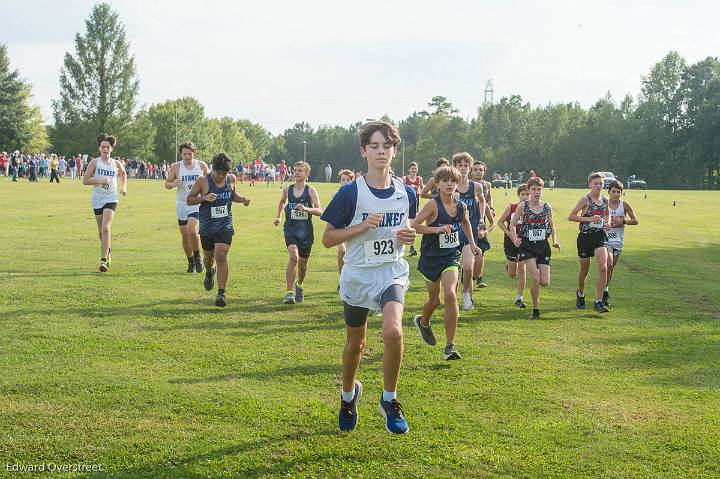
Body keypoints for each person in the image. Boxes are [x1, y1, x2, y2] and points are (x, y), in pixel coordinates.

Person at [320, 121, 417, 434]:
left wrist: (409, 234)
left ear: (394, 151)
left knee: (393, 332)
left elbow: (406, 228)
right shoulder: (351, 193)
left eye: (386, 146)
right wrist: (361, 227)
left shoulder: (407, 192)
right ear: (363, 151)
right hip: (359, 276)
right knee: (355, 345)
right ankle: (349, 396)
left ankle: (389, 400)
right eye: (374, 146)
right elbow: (328, 238)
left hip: (391, 272)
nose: (381, 152)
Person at [413, 165, 480, 360]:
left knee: (451, 294)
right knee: (435, 300)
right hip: (430, 258)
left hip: (451, 255)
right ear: (438, 184)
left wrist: (473, 244)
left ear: (458, 183)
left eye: (453, 181)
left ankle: (450, 345)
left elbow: (466, 222)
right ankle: (423, 322)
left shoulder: (461, 206)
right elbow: (415, 225)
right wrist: (436, 230)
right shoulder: (432, 205)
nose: (449, 184)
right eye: (445, 181)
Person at [187, 152, 250, 307]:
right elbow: (189, 200)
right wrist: (204, 198)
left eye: (224, 173)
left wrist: (242, 200)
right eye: (218, 173)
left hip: (225, 225)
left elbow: (232, 195)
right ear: (212, 169)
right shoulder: (203, 181)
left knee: (221, 255)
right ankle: (209, 272)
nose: (221, 176)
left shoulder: (231, 179)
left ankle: (221, 294)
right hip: (208, 226)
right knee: (208, 258)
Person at [509, 177, 560, 320]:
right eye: (534, 189)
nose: (536, 192)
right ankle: (535, 310)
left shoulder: (546, 207)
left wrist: (555, 240)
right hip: (527, 245)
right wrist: (515, 238)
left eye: (539, 189)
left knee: (545, 282)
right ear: (529, 190)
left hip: (543, 245)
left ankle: (536, 300)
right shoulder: (523, 206)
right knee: (535, 278)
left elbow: (552, 224)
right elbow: (512, 224)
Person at [274, 161, 323, 304]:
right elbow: (283, 202)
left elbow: (320, 211)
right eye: (295, 170)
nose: (296, 172)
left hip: (306, 232)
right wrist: (279, 216)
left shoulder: (310, 191)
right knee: (294, 257)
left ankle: (299, 285)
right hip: (290, 229)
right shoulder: (287, 190)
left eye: (300, 170)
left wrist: (307, 209)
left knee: (302, 266)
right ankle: (289, 293)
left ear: (307, 174)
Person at [83, 133, 127, 272]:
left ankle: (103, 261)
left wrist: (123, 187)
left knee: (106, 228)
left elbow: (123, 173)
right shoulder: (94, 163)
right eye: (103, 147)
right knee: (101, 232)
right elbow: (85, 180)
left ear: (111, 149)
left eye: (108, 147)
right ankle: (108, 250)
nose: (105, 149)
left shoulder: (116, 163)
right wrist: (99, 180)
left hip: (111, 198)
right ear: (99, 148)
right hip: (97, 198)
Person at [568, 172, 611, 313]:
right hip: (585, 237)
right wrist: (589, 219)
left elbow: (606, 214)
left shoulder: (605, 200)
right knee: (584, 269)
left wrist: (607, 223)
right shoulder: (585, 200)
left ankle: (598, 301)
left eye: (601, 183)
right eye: (596, 183)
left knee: (604, 267)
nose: (599, 186)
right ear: (590, 185)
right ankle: (580, 293)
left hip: (599, 236)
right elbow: (571, 216)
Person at [165, 141, 209, 273]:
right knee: (185, 236)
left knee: (192, 230)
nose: (187, 156)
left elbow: (209, 180)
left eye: (190, 154)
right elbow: (167, 184)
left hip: (196, 203)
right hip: (182, 204)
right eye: (185, 154)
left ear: (194, 153)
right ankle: (191, 262)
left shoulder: (201, 165)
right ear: (181, 154)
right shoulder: (176, 167)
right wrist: (173, 184)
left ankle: (197, 257)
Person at [451, 152, 487, 311]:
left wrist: (481, 219)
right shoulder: (450, 186)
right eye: (460, 165)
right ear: (455, 167)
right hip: (451, 233)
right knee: (451, 269)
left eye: (466, 165)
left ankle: (466, 296)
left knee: (468, 267)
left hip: (468, 232)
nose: (464, 168)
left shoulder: (476, 187)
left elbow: (482, 201)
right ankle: (453, 296)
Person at [604, 180, 638, 306]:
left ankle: (605, 290)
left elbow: (635, 220)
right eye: (613, 191)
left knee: (611, 268)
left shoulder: (624, 205)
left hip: (618, 239)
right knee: (608, 263)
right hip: (605, 239)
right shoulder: (603, 203)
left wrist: (623, 222)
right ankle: (603, 293)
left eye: (618, 192)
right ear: (608, 192)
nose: (616, 194)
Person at [497, 183, 530, 308]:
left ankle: (519, 299)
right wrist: (510, 234)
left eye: (528, 194)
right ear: (519, 195)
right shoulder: (511, 207)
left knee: (522, 269)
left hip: (525, 243)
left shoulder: (533, 209)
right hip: (510, 242)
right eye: (523, 194)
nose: (525, 197)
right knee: (512, 274)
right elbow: (500, 222)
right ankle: (509, 264)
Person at [470, 160, 493, 288]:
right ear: (471, 171)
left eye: (481, 169)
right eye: (476, 169)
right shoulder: (467, 184)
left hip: (481, 218)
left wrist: (491, 208)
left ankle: (479, 277)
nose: (478, 171)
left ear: (484, 171)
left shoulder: (487, 184)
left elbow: (488, 197)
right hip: (469, 218)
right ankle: (466, 271)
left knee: (482, 249)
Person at [335, 169, 355, 277]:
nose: (345, 182)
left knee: (353, 254)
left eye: (348, 180)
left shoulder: (356, 195)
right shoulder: (335, 195)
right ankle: (342, 278)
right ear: (340, 182)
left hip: (353, 227)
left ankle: (352, 278)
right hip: (339, 227)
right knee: (342, 251)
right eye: (343, 180)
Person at [402, 162, 423, 256]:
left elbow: (421, 189)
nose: (414, 170)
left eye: (415, 168)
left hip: (416, 203)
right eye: (412, 168)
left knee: (412, 224)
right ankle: (409, 247)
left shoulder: (419, 179)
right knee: (405, 224)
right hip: (406, 202)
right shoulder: (405, 179)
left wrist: (417, 190)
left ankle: (411, 248)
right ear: (409, 169)